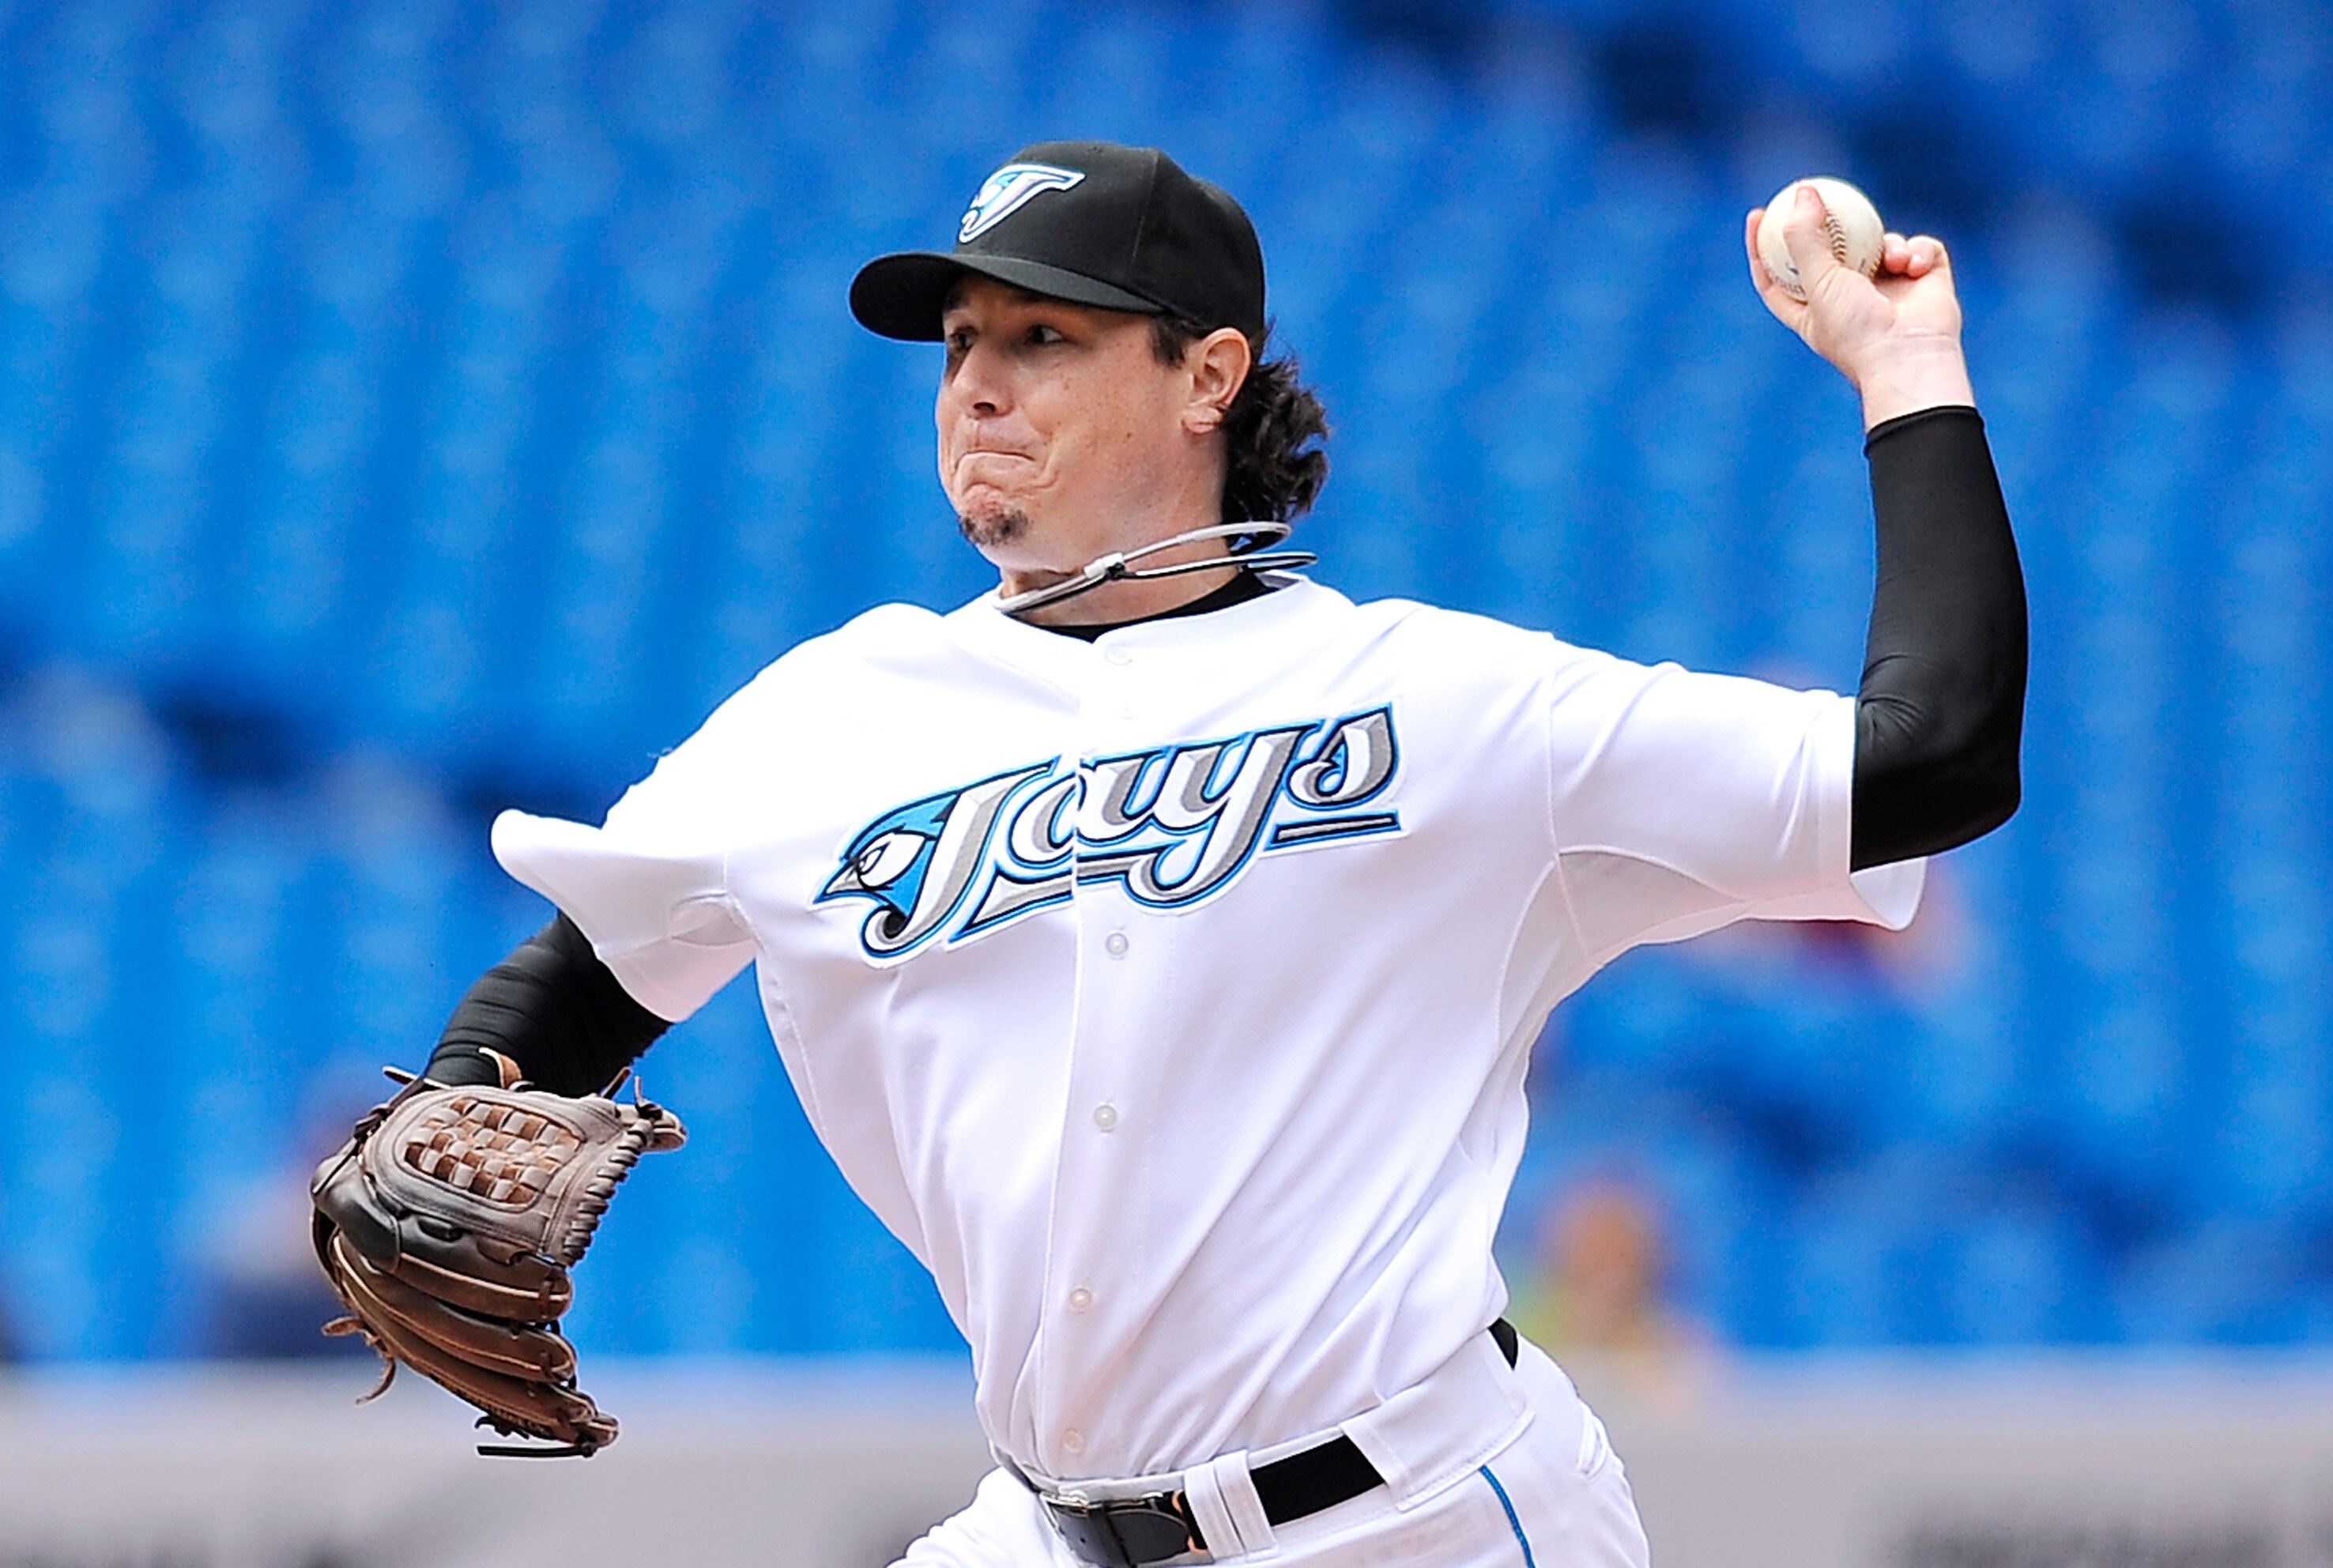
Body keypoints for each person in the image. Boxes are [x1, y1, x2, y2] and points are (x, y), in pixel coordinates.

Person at [374, 141, 2024, 1566]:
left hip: (1418, 1517)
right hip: (1045, 1525)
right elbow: (580, 981)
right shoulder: (829, 720)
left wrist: (1907, 368)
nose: (979, 384)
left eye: (1043, 335)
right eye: (960, 344)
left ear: (1207, 375)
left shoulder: (1443, 701)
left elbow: (1928, 760)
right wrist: (438, 1128)